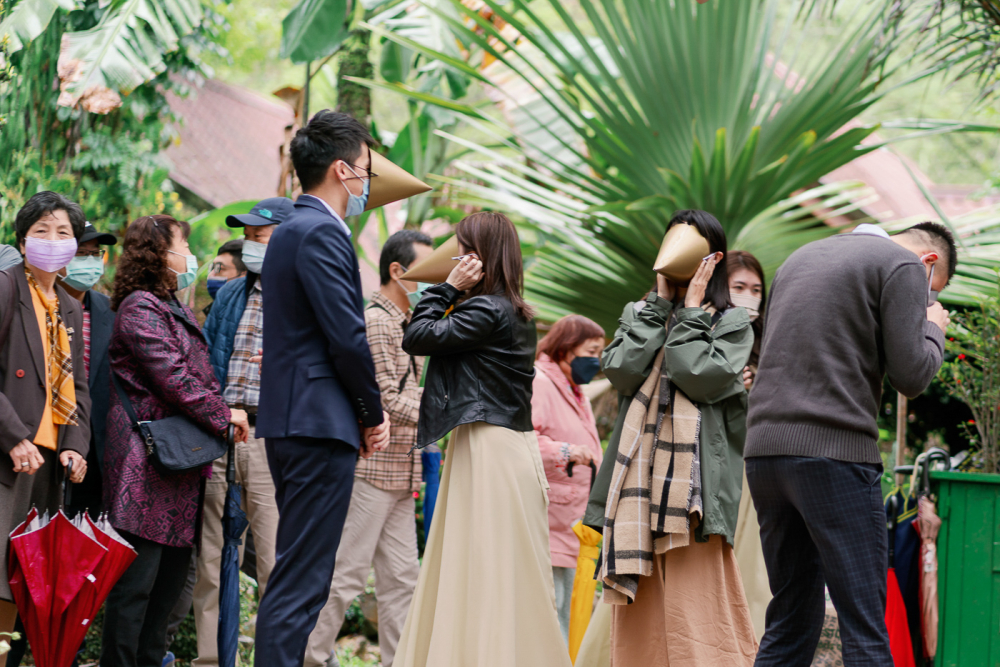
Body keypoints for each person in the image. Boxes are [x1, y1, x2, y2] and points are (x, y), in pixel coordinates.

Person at [745, 221, 954, 667]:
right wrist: (933, 327)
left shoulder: (799, 258)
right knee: (864, 624)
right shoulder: (901, 265)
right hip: (833, 453)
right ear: (928, 263)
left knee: (790, 617)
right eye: (934, 291)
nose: (927, 301)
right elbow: (912, 377)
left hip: (764, 452)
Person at [395, 211, 572, 667]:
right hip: (504, 444)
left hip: (489, 447)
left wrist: (447, 288)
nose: (451, 257)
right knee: (498, 564)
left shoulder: (485, 310)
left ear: (479, 258)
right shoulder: (510, 310)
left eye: (461, 250)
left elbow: (417, 336)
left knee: (483, 563)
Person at [586, 209, 757, 667]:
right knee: (640, 615)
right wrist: (660, 308)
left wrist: (690, 315)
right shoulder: (640, 313)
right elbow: (621, 372)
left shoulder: (734, 322)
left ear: (712, 257)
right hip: (636, 487)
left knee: (699, 612)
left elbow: (697, 376)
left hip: (694, 494)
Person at [254, 110, 390, 667]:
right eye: (365, 170)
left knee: (297, 571)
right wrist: (371, 413)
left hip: (291, 418)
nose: (367, 183)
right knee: (303, 578)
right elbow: (347, 338)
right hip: (317, 421)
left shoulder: (290, 230)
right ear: (341, 169)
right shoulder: (323, 232)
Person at [100, 214, 249, 667]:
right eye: (183, 245)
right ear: (159, 253)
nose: (190, 256)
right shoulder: (139, 308)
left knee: (166, 590)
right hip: (144, 465)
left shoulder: (174, 306)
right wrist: (225, 415)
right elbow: (176, 379)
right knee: (136, 588)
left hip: (178, 465)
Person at [306, 229, 434, 667]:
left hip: (401, 474)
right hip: (371, 471)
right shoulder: (378, 322)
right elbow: (383, 399)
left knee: (402, 580)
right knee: (345, 576)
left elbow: (407, 395)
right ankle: (311, 658)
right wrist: (445, 408)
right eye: (427, 271)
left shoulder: (407, 324)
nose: (434, 281)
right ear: (397, 272)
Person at [193, 197, 292, 667]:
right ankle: (211, 660)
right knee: (210, 559)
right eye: (249, 237)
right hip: (221, 435)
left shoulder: (302, 294)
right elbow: (205, 361)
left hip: (270, 440)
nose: (252, 245)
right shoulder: (230, 294)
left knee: (274, 560)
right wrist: (217, 417)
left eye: (261, 237)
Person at [0, 192, 90, 667]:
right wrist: (12, 435)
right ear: (22, 239)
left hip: (47, 466)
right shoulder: (6, 286)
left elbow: (77, 387)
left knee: (23, 580)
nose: (52, 241)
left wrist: (76, 446)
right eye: (42, 231)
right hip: (8, 457)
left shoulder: (70, 307)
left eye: (63, 233)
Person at [531, 314, 605, 643]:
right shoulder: (540, 383)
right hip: (550, 518)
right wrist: (566, 451)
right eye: (591, 351)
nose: (596, 360)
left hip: (573, 523)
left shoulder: (576, 391)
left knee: (568, 613)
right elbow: (522, 441)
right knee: (551, 610)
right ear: (566, 349)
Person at [725, 250, 772, 642]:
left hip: (753, 466)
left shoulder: (767, 346)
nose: (749, 296)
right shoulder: (695, 335)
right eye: (738, 287)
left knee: (753, 573)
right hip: (710, 467)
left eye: (756, 290)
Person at [58, 222, 117, 519]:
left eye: (96, 254)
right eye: (82, 253)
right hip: (48, 439)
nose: (91, 262)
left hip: (97, 449)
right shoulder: (41, 304)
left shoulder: (112, 310)